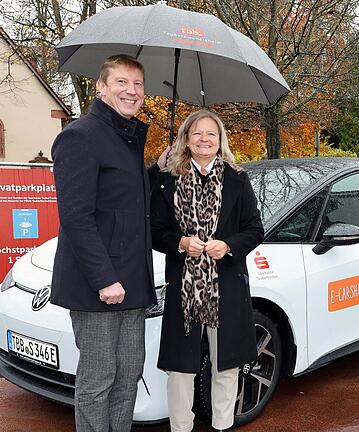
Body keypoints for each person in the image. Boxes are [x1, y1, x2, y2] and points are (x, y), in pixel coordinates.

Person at [50, 55, 156, 431]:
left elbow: (125, 207)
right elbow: (76, 217)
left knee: (128, 377)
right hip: (101, 288)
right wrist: (103, 279)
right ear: (101, 86)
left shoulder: (126, 140)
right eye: (122, 82)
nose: (131, 91)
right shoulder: (80, 136)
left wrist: (156, 171)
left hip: (133, 284)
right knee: (97, 383)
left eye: (138, 84)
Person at [150, 110, 264, 431]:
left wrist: (227, 246)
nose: (204, 139)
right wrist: (182, 242)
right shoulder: (167, 180)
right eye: (197, 133)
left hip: (225, 286)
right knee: (181, 369)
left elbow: (255, 229)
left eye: (211, 134)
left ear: (220, 140)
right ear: (186, 139)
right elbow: (155, 231)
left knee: (225, 365)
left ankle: (222, 426)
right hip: (184, 287)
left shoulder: (237, 179)